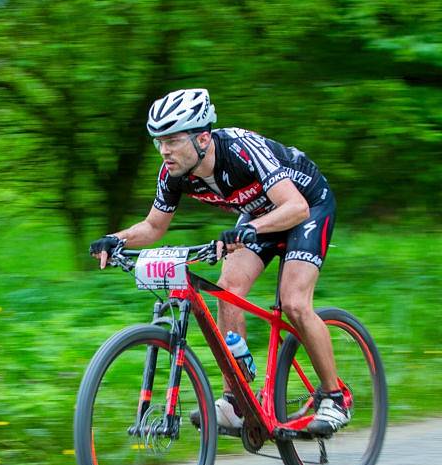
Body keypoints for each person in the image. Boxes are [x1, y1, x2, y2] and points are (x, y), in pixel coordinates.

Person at [89, 88, 348, 436]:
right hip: (259, 214)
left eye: (173, 140)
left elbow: (296, 208)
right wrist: (116, 239)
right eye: (159, 142)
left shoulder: (240, 149)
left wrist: (250, 228)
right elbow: (153, 226)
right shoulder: (173, 173)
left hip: (305, 206)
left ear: (203, 138)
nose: (164, 150)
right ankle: (237, 400)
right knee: (227, 290)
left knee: (294, 302)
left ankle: (335, 397)